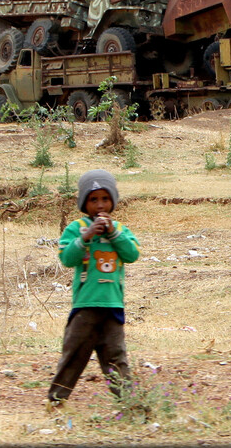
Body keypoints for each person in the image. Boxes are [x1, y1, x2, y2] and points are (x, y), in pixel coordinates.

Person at [47, 169, 140, 407]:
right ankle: (56, 401)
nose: (100, 205)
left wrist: (114, 233)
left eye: (105, 199)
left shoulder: (120, 229)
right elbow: (67, 259)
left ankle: (129, 405)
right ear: (83, 203)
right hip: (85, 306)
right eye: (93, 199)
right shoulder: (75, 229)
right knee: (74, 354)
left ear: (113, 201)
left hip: (112, 306)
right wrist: (86, 236)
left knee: (116, 358)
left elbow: (132, 254)